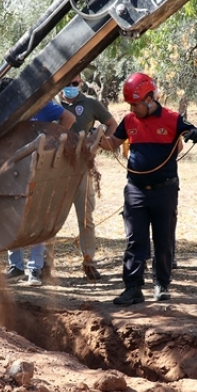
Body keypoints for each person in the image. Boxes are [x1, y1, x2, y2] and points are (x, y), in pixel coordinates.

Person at [99, 72, 197, 305]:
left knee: (163, 238)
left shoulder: (172, 118)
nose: (132, 108)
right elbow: (112, 144)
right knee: (135, 239)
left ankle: (161, 285)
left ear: (149, 99)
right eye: (129, 104)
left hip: (164, 190)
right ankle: (133, 288)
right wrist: (96, 137)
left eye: (135, 104)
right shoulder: (129, 121)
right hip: (135, 190)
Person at [0, 78, 77, 286]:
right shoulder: (0, 115)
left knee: (34, 217)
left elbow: (68, 118)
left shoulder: (41, 106)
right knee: (11, 217)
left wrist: (53, 138)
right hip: (11, 171)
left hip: (37, 170)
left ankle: (35, 269)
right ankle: (16, 266)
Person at [59, 74, 118, 281]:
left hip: (82, 167)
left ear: (81, 83)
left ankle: (89, 262)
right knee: (49, 215)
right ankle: (44, 267)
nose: (70, 87)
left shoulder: (91, 104)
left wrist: (100, 141)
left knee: (86, 216)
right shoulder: (51, 105)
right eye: (66, 84)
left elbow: (112, 124)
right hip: (54, 170)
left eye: (74, 84)